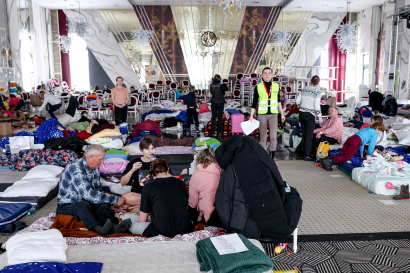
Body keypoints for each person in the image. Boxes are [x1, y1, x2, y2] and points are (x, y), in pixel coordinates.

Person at [56, 144, 131, 236]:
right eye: (100, 159)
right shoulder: (75, 168)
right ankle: (98, 228)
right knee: (83, 205)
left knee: (102, 201)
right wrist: (114, 199)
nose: (102, 162)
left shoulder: (95, 167)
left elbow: (97, 191)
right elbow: (88, 195)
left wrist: (107, 199)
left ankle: (113, 226)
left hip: (86, 200)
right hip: (68, 204)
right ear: (90, 157)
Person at [122, 159, 194, 237]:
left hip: (161, 231)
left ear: (151, 173)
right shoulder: (181, 183)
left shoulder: (148, 187)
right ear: (168, 169)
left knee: (127, 217)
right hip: (186, 227)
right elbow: (185, 208)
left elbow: (142, 220)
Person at [250, 67, 285, 158]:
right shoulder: (258, 86)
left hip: (273, 114)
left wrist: (282, 114)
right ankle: (264, 157)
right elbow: (254, 102)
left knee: (273, 137)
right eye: (265, 73)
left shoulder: (276, 86)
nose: (267, 75)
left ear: (272, 75)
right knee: (263, 138)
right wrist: (251, 116)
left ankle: (272, 158)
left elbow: (278, 102)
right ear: (262, 75)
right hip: (262, 115)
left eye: (269, 73)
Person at [321, 122, 386, 169]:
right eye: (380, 130)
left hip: (351, 138)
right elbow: (371, 146)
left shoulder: (366, 129)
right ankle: (329, 161)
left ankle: (326, 160)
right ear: (377, 127)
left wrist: (361, 154)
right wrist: (369, 157)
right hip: (356, 141)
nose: (380, 132)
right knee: (346, 157)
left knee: (343, 154)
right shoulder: (375, 133)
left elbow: (362, 143)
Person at [188, 147, 222, 227]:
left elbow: (193, 201)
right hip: (223, 215)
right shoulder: (223, 172)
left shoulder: (197, 175)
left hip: (207, 217)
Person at [120, 138, 156, 206]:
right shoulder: (135, 162)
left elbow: (169, 180)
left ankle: (150, 202)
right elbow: (122, 182)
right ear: (141, 150)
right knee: (125, 197)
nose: (151, 151)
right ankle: (153, 202)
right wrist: (132, 170)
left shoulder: (160, 162)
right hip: (140, 195)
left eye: (152, 148)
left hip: (156, 193)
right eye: (147, 149)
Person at [295, 75, 323, 161]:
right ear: (318, 83)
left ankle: (302, 153)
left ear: (310, 81)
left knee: (304, 133)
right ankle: (307, 154)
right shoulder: (317, 91)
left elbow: (297, 101)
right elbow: (316, 105)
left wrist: (302, 107)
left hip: (302, 113)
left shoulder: (304, 89)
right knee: (309, 135)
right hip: (310, 114)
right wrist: (320, 116)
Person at [209, 74, 226, 138]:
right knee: (219, 118)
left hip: (213, 102)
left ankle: (212, 133)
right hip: (220, 102)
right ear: (218, 79)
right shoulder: (220, 85)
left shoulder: (211, 85)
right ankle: (219, 133)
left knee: (213, 118)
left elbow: (211, 92)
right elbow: (224, 93)